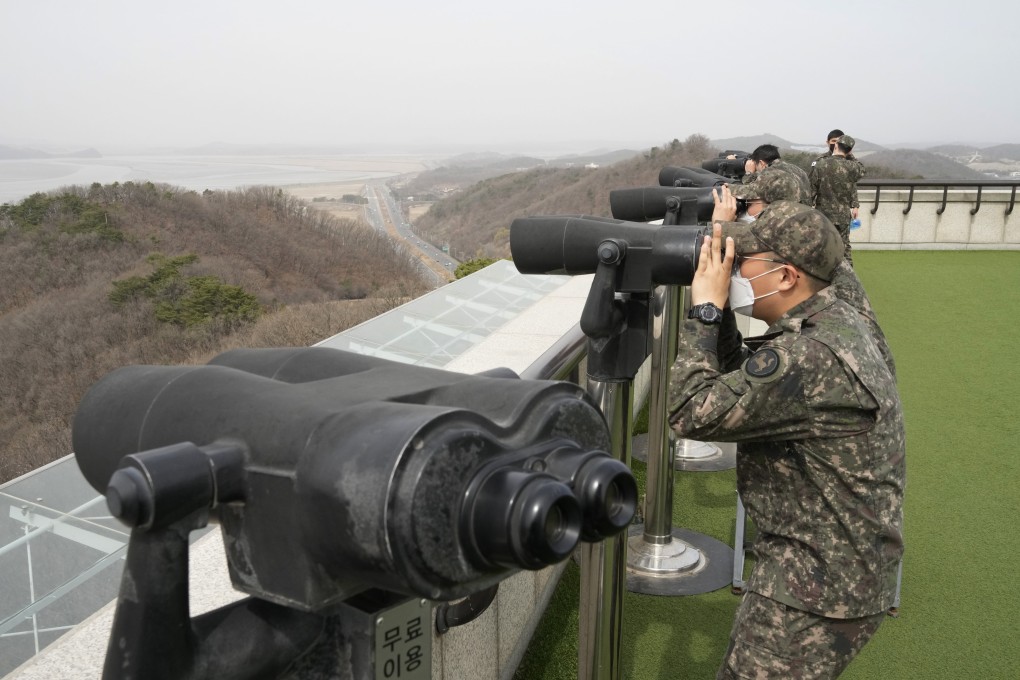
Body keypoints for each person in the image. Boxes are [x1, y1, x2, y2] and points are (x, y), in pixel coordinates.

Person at [667, 198, 905, 679]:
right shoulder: (837, 319)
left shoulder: (809, 356)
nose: (731, 265)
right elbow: (744, 384)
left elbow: (689, 409)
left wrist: (708, 311)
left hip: (817, 585)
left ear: (785, 277)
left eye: (743, 260)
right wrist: (727, 315)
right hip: (836, 566)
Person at [812, 135, 866, 263]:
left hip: (824, 214)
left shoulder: (821, 164)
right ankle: (848, 278)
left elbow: (812, 189)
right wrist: (850, 155)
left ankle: (822, 279)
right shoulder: (853, 167)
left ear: (835, 146)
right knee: (844, 248)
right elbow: (860, 170)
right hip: (842, 215)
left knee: (823, 247)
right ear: (850, 150)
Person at [740, 144, 812, 206]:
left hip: (789, 218)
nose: (756, 169)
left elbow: (749, 192)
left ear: (761, 163)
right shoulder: (799, 170)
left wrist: (749, 173)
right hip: (807, 216)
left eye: (756, 165)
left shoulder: (771, 172)